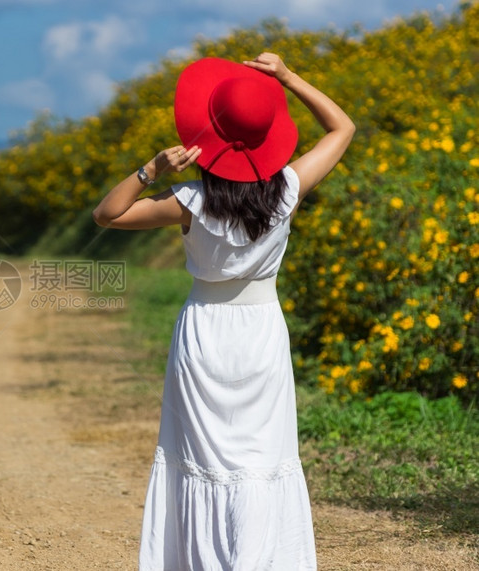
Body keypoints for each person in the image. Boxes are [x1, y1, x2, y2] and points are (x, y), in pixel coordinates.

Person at [92, 52, 355, 570]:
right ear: (267, 134)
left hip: (204, 334)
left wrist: (152, 169)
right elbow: (342, 127)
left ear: (208, 131)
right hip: (262, 334)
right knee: (262, 460)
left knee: (203, 460)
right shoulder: (289, 191)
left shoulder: (188, 201)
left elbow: (107, 215)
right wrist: (286, 76)